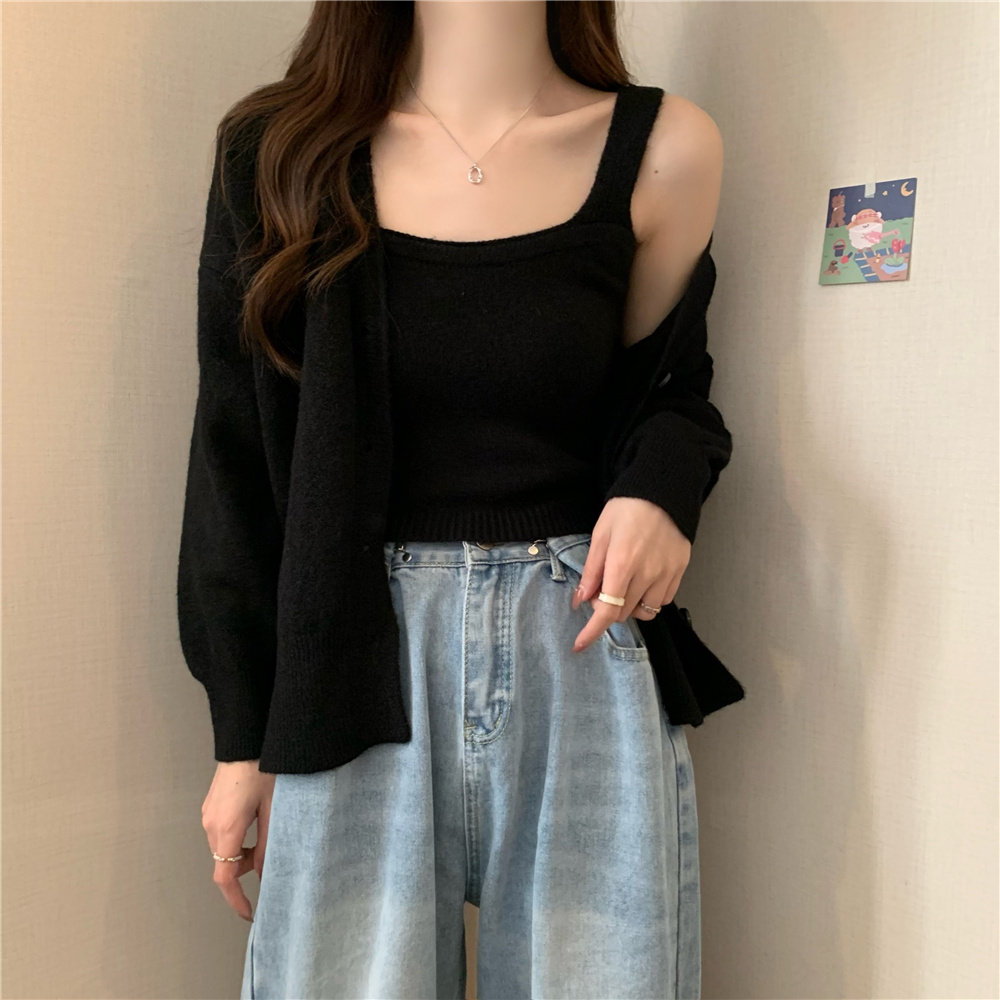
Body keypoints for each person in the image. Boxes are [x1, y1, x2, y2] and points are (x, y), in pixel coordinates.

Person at [177, 1, 740, 997]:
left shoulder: (663, 150)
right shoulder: (277, 154)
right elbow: (234, 463)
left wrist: (661, 492)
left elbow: (669, 393)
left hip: (580, 649)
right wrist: (242, 735)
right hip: (347, 660)